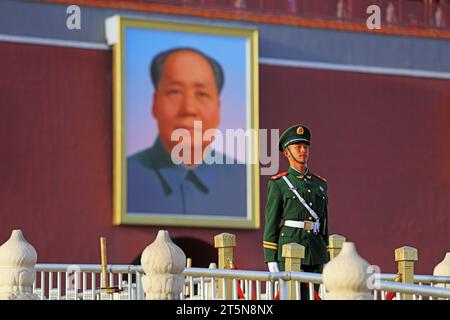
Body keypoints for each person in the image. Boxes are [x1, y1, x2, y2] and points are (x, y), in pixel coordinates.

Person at [127, 47, 247, 217]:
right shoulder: (127, 176)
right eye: (174, 91)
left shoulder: (246, 182)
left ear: (219, 108)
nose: (189, 109)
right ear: (154, 103)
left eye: (202, 94)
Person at [263, 124, 329, 299]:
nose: (303, 151)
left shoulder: (320, 184)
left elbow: (324, 224)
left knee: (312, 296)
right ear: (287, 153)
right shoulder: (279, 184)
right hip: (289, 249)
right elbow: (272, 222)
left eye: (305, 147)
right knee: (292, 296)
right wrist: (270, 256)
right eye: (298, 147)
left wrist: (327, 252)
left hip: (315, 250)